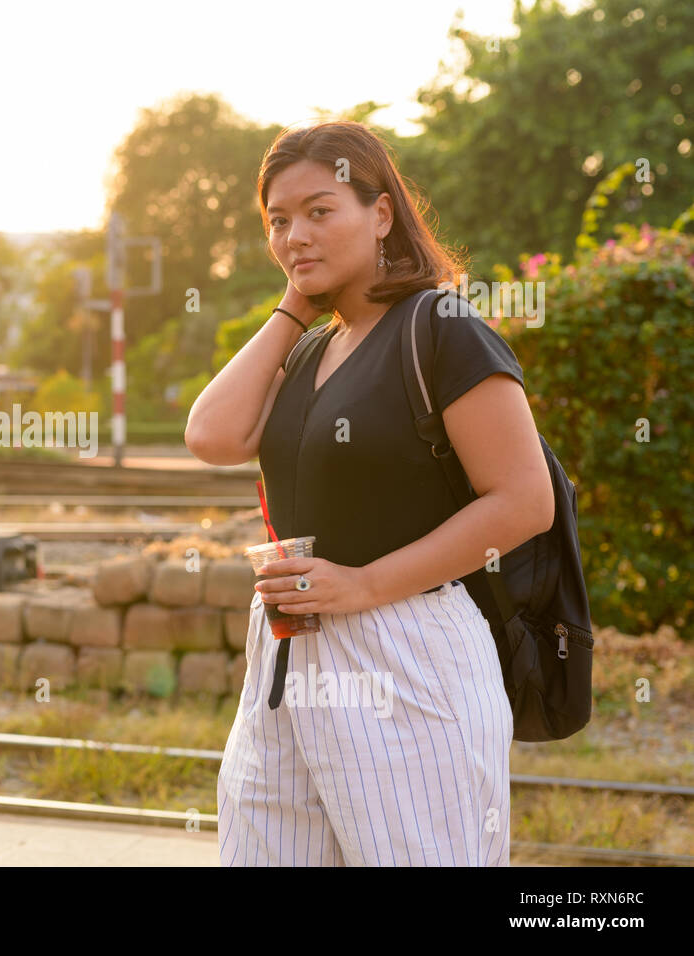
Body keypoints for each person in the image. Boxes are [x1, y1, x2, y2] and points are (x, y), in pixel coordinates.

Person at [184, 120, 555, 866]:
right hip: (286, 660)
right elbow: (213, 437)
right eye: (278, 221)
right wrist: (294, 308)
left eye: (321, 211)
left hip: (407, 654)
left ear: (380, 214)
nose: (295, 235)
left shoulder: (441, 329)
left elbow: (523, 501)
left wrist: (363, 584)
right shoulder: (315, 345)